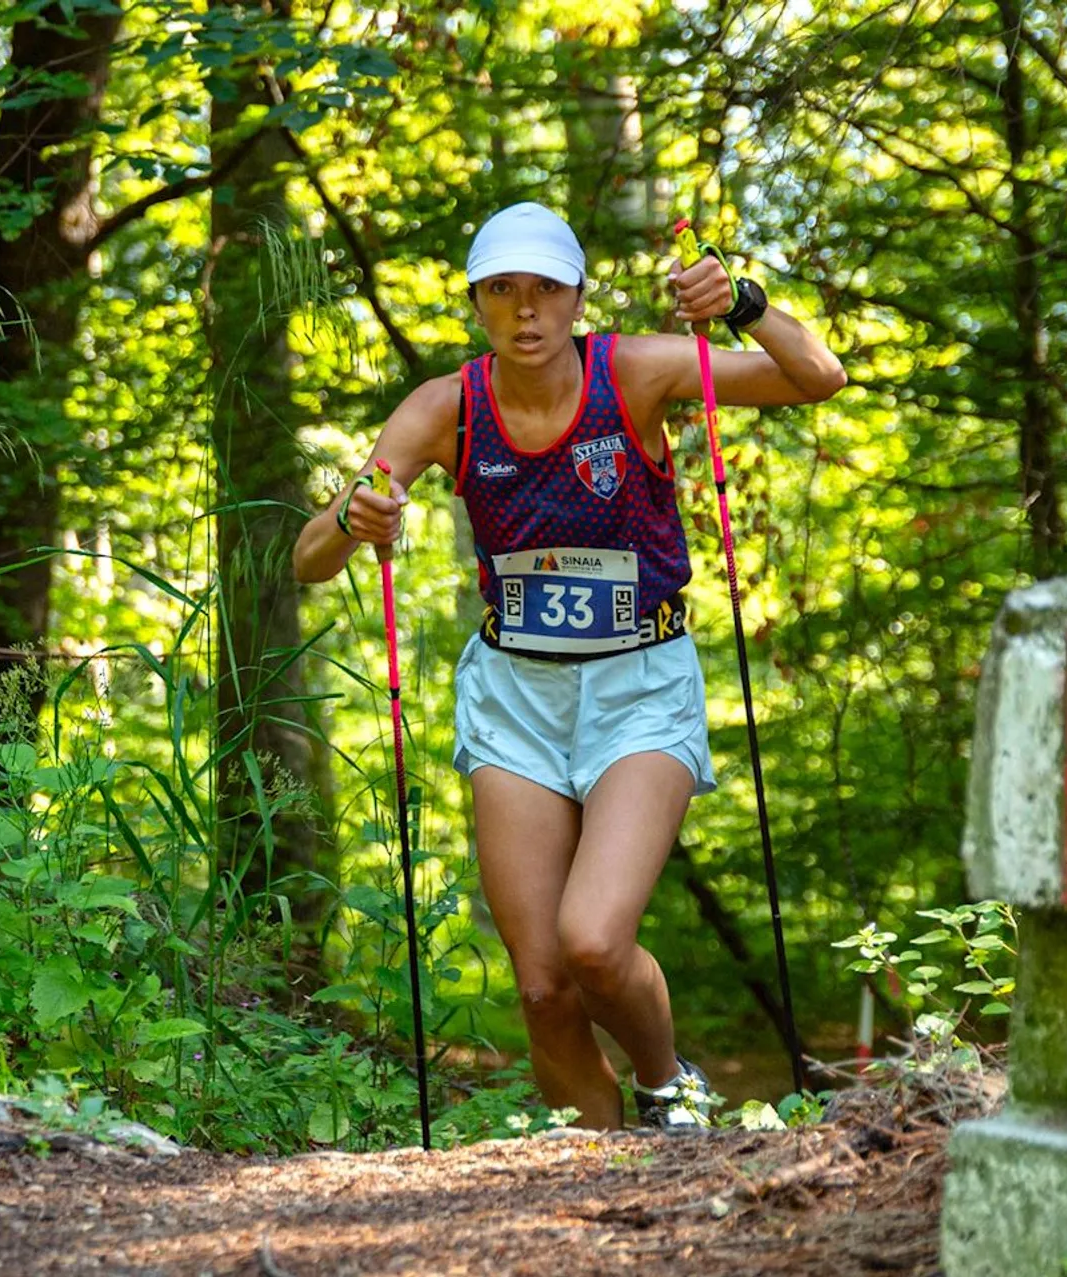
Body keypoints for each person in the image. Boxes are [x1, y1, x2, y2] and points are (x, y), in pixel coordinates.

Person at [292, 203, 845, 1130]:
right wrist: (354, 518)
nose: (526, 310)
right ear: (477, 303)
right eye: (501, 290)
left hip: (640, 687)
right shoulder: (447, 406)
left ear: (578, 296)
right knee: (544, 987)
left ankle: (670, 1086)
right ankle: (589, 1186)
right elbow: (311, 555)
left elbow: (818, 378)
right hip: (517, 700)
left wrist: (745, 300)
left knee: (593, 941)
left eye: (545, 288)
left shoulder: (633, 370)